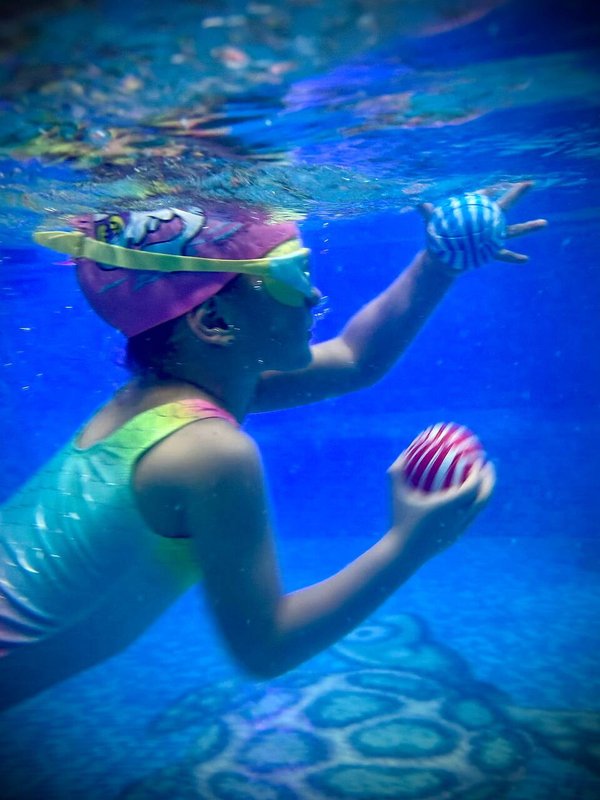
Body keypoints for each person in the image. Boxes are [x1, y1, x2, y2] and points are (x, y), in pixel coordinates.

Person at [0, 182, 546, 711]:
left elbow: (356, 359)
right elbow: (267, 648)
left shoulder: (162, 398)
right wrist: (413, 542)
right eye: (290, 276)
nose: (313, 295)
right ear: (215, 320)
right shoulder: (208, 451)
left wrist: (439, 263)